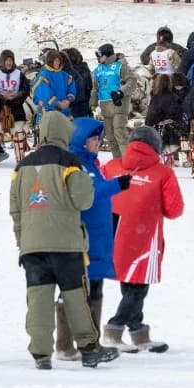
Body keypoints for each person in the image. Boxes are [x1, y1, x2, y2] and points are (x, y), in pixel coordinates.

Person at [10, 110, 117, 370]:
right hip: (66, 244)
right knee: (76, 297)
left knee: (38, 299)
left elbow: (15, 207)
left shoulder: (22, 165)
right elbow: (84, 199)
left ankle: (40, 352)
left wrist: (22, 240)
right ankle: (89, 348)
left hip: (32, 245)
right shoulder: (70, 162)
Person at [99, 125, 182, 353]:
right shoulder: (163, 172)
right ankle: (114, 329)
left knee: (131, 285)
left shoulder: (112, 166)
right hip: (144, 237)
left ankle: (138, 332)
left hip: (112, 233)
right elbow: (175, 210)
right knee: (138, 287)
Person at [53, 117, 129, 360]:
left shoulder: (91, 163)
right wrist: (117, 185)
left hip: (97, 238)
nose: (98, 142)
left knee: (94, 289)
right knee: (76, 290)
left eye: (98, 138)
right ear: (81, 140)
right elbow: (89, 195)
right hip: (82, 238)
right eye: (93, 138)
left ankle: (88, 342)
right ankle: (68, 345)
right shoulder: (75, 165)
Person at [92, 44, 129, 158]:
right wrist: (92, 102)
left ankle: (128, 161)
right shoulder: (98, 70)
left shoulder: (120, 66)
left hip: (118, 104)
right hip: (105, 106)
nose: (99, 58)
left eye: (100, 56)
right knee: (110, 135)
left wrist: (121, 92)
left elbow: (132, 81)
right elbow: (95, 88)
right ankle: (117, 161)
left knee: (119, 132)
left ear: (107, 55)